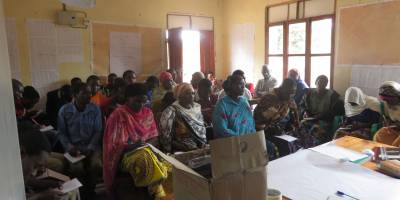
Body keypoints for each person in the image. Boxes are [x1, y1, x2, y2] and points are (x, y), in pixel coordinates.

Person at [103, 83, 165, 198]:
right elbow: (112, 145)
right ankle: (156, 193)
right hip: (125, 155)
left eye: (144, 101)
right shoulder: (118, 115)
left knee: (166, 161)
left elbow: (154, 136)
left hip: (147, 149)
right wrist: (132, 146)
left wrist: (146, 145)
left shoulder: (148, 113)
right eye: (137, 101)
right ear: (127, 99)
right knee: (143, 159)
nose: (141, 105)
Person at [57, 82, 103, 199]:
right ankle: (81, 193)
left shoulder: (95, 109)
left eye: (89, 93)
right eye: (84, 93)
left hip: (92, 146)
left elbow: (98, 131)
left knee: (96, 165)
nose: (89, 95)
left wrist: (91, 147)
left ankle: (91, 191)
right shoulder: (64, 110)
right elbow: (61, 133)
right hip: (74, 148)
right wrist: (69, 147)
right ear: (75, 94)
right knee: (76, 168)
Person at [160, 83, 207, 153]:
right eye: (187, 93)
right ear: (179, 96)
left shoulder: (197, 108)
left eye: (193, 93)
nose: (191, 96)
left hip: (200, 145)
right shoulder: (171, 111)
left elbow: (201, 131)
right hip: (181, 149)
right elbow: (165, 136)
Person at [303, 75, 344, 143]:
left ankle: (315, 146)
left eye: (324, 83)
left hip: (324, 120)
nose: (321, 85)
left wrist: (322, 115)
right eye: (319, 82)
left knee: (317, 130)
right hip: (310, 118)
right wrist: (305, 112)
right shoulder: (308, 93)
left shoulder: (333, 95)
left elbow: (338, 111)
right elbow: (302, 106)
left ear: (326, 84)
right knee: (301, 126)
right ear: (316, 83)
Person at [372, 81, 400, 146]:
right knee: (380, 135)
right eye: (385, 100)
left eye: (390, 100)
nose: (387, 102)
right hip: (397, 130)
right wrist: (390, 123)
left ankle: (392, 152)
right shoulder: (390, 105)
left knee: (395, 145)